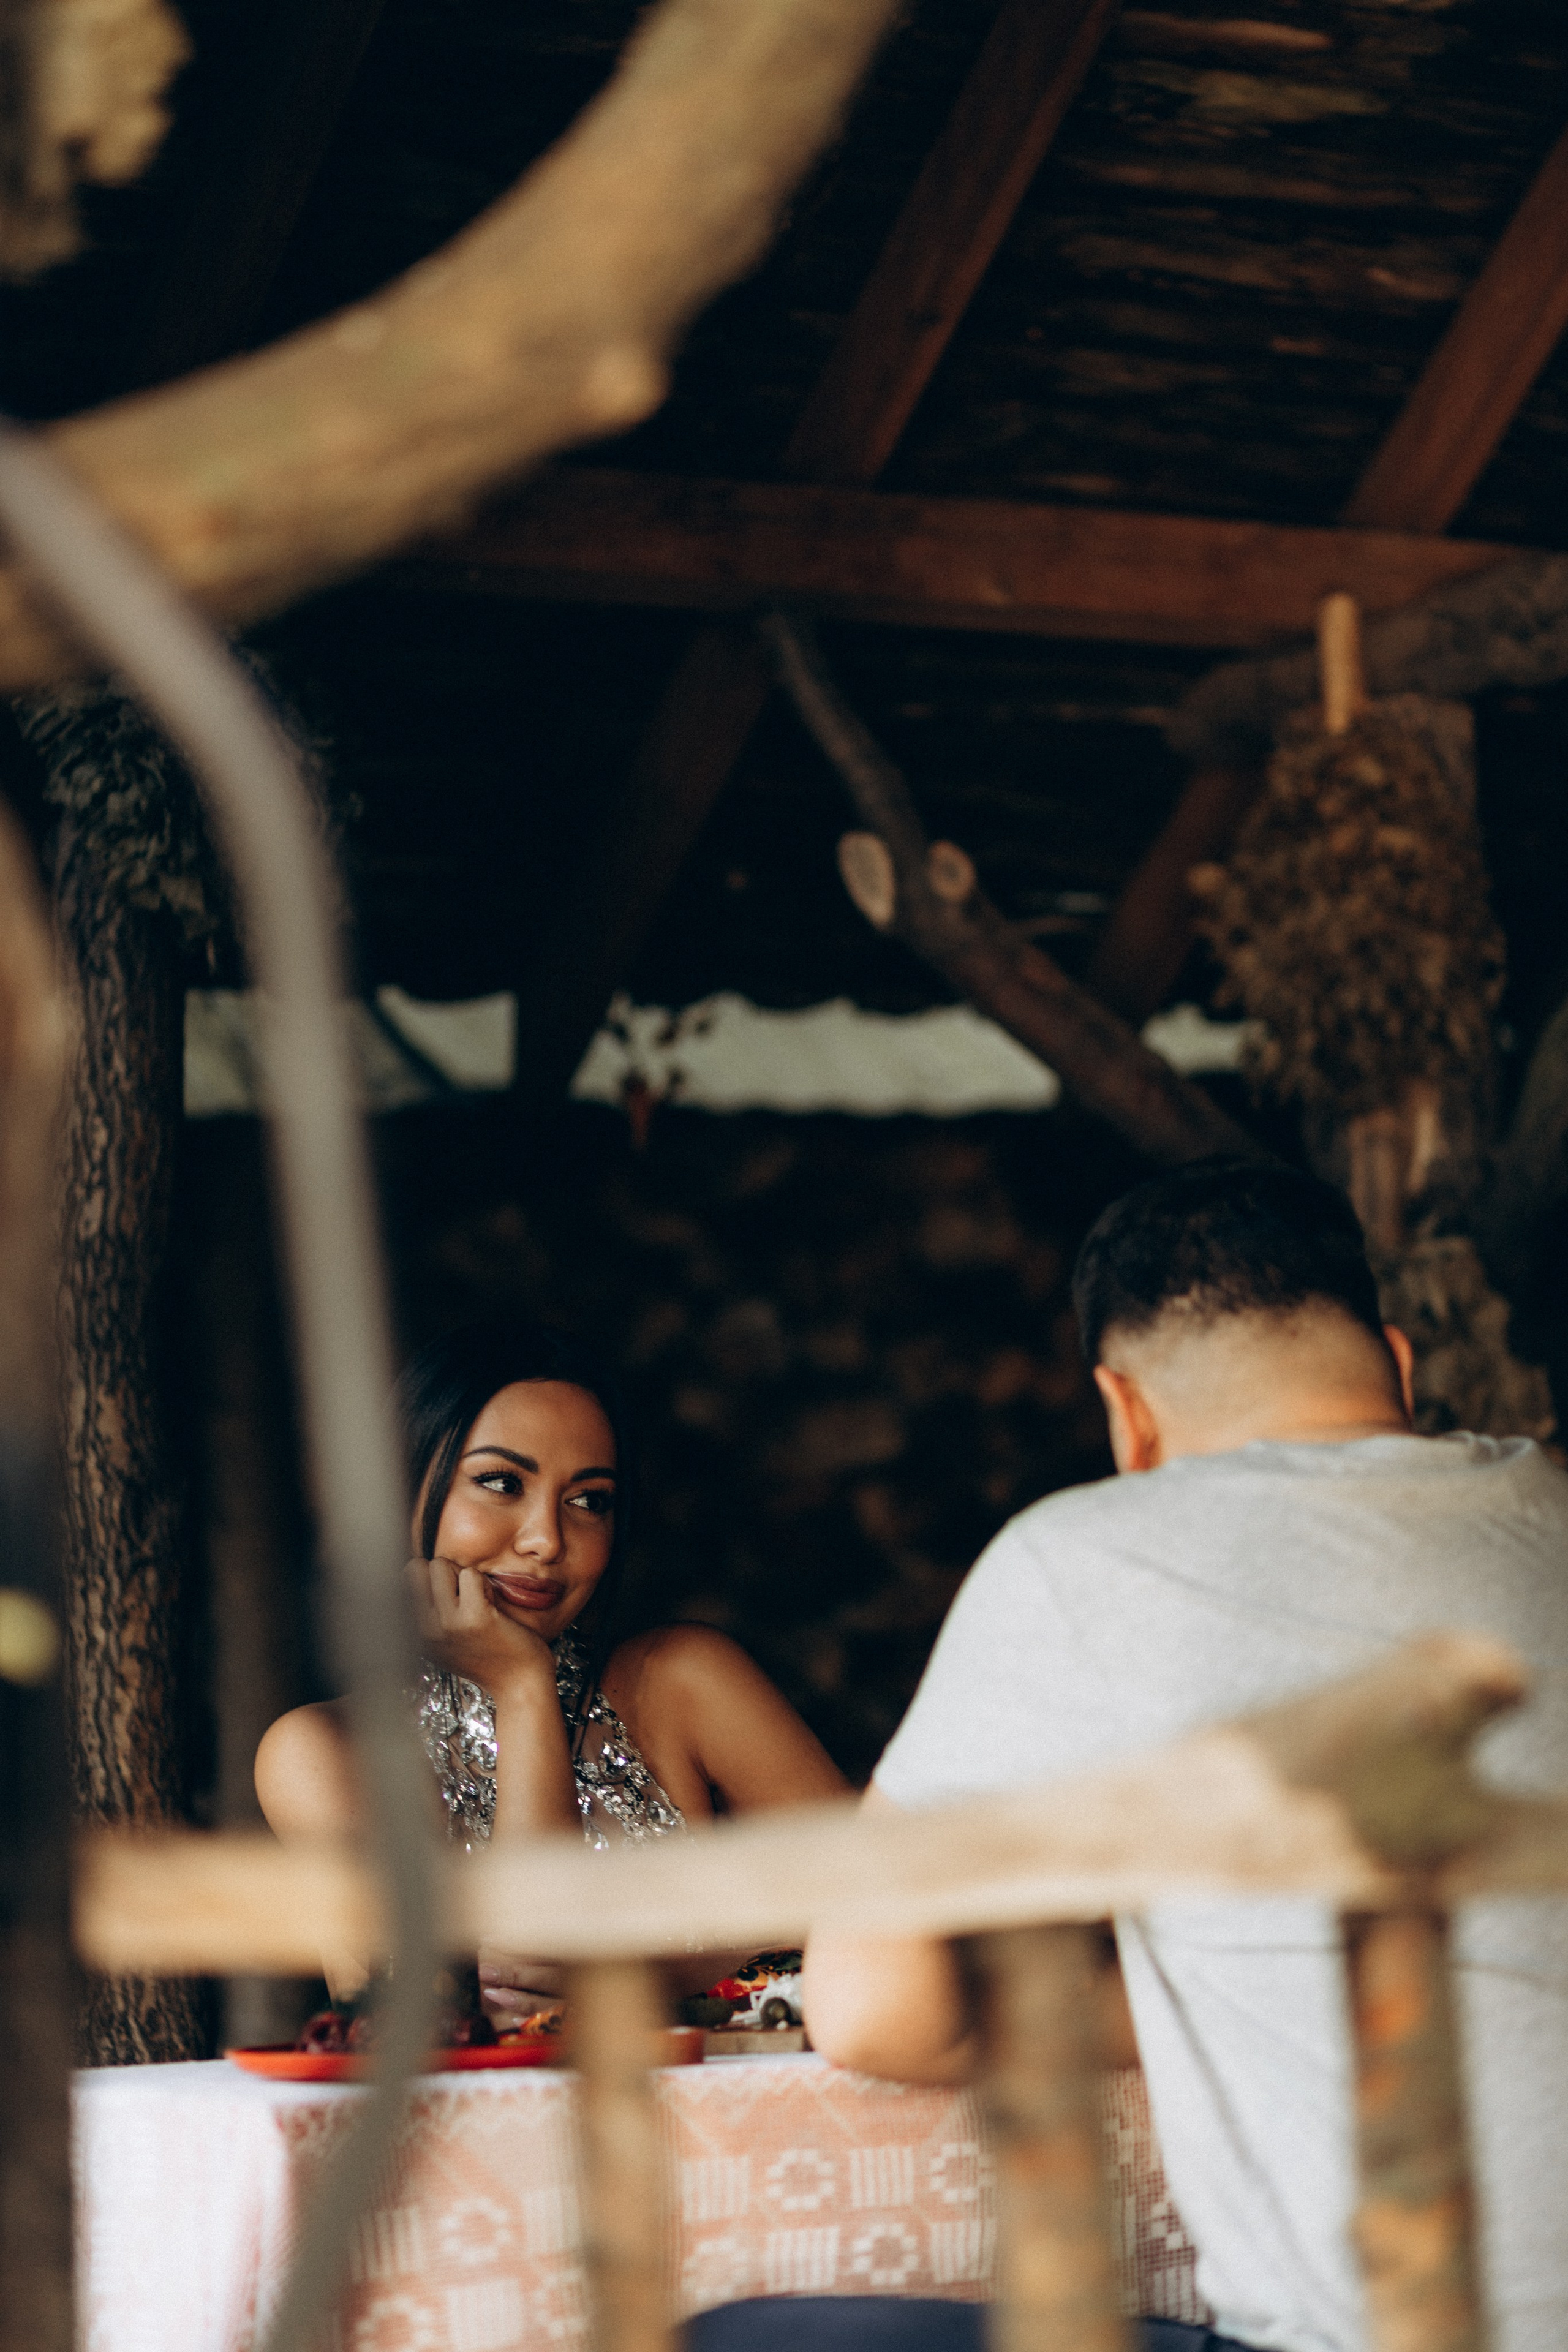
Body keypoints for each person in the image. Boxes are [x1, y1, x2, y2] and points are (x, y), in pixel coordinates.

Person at [799, 1158, 1568, 2352]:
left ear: (1127, 1415)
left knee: (747, 2331)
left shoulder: (1085, 1561)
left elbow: (868, 2011)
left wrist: (1193, 1987)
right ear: (1399, 1365)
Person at [256, 1319, 847, 2015]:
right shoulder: (324, 1754)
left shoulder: (682, 1682)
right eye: (501, 1483)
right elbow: (484, 2020)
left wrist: (645, 1978)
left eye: (589, 1501)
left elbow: (901, 1908)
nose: (545, 1540)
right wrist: (521, 1687)